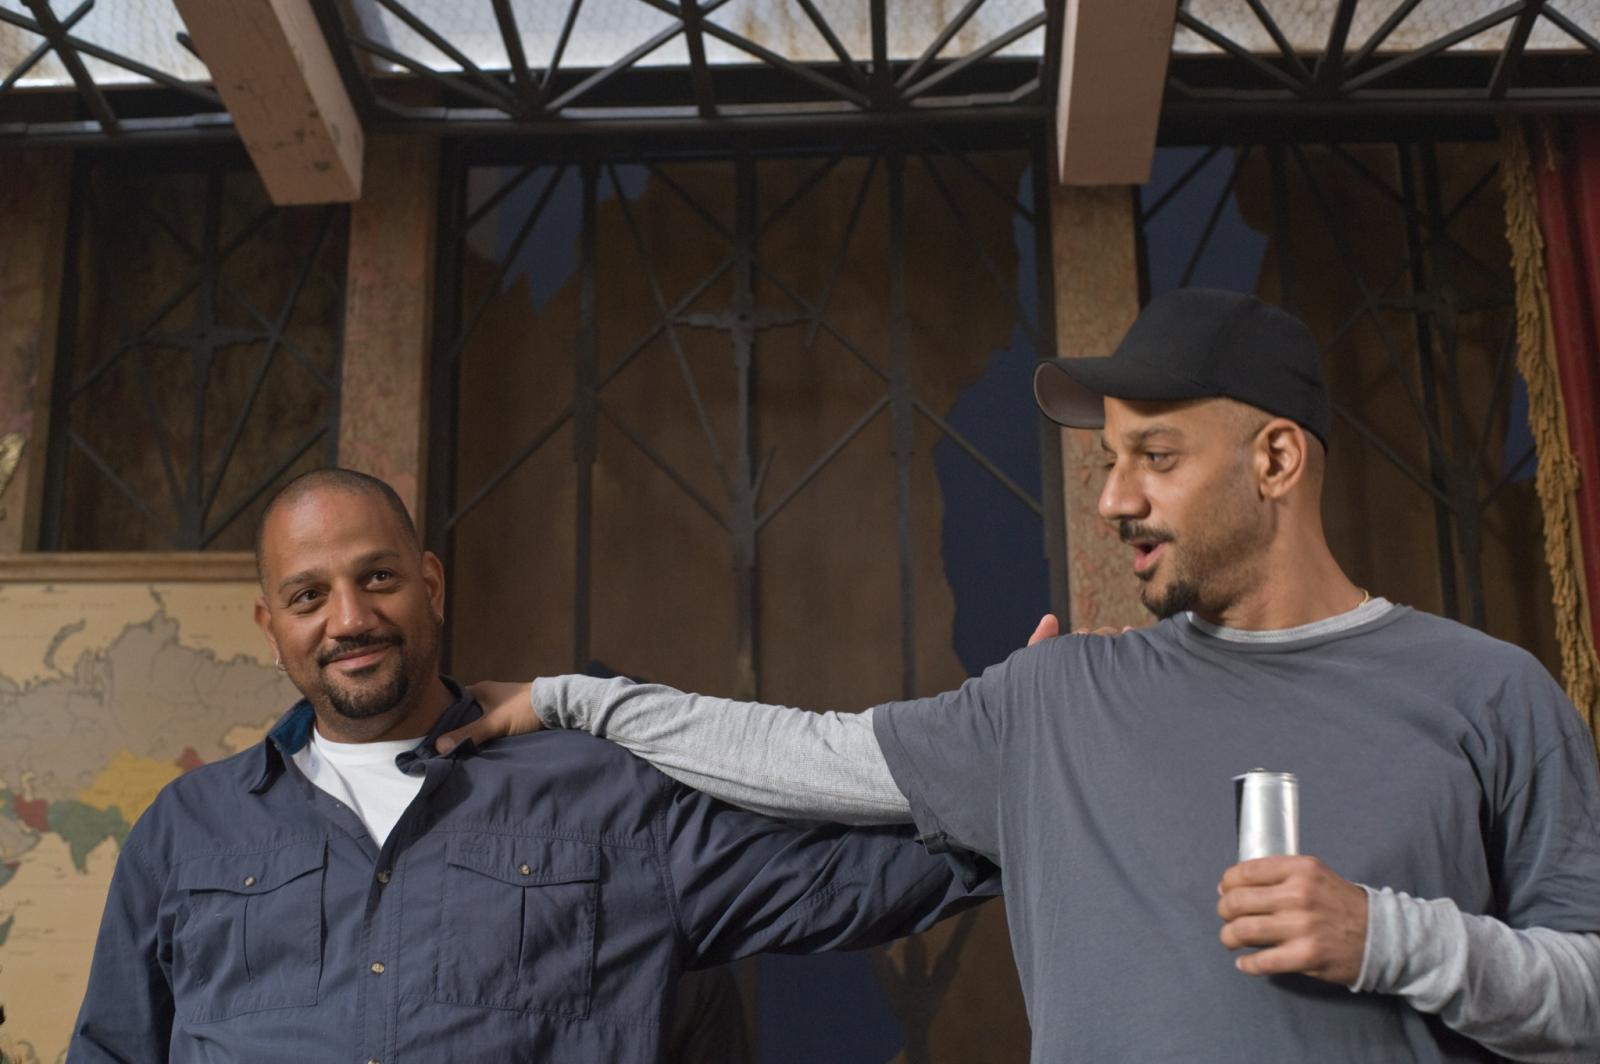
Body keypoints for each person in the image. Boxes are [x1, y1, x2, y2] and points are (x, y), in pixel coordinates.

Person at [444, 289, 1600, 1062]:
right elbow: (799, 753)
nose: (1112, 501)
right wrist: (572, 698)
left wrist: (1386, 936)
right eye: (1107, 462)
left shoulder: (1490, 695)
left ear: (1277, 457)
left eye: (1155, 457)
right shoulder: (1054, 697)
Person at [69, 469, 996, 1064]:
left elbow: (850, 880)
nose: (349, 618)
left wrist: (1034, 754)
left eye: (377, 578)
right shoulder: (183, 830)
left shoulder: (601, 794)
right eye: (309, 595)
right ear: (270, 626)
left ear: (430, 584)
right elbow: (114, 1049)